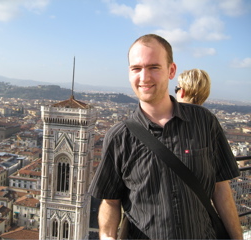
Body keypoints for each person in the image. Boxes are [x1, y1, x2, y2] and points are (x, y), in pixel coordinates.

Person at [89, 34, 242, 239]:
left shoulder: (205, 122)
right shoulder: (119, 137)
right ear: (129, 73)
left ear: (171, 71)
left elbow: (221, 189)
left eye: (154, 67)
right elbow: (111, 202)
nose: (144, 77)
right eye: (136, 68)